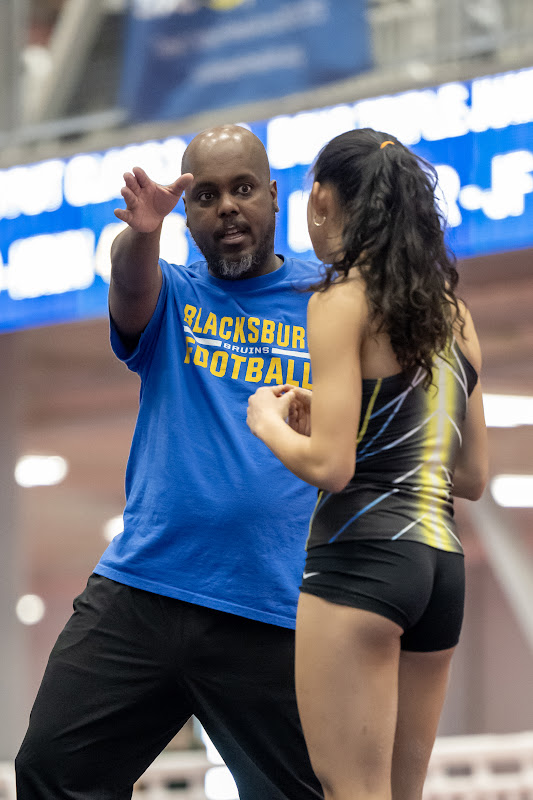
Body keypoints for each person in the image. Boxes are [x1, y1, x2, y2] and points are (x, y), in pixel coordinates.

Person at [15, 125, 324, 800]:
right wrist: (143, 232)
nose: (227, 208)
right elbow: (130, 284)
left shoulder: (327, 302)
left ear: (273, 196)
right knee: (50, 770)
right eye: (205, 196)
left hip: (271, 605)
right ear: (188, 216)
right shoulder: (173, 294)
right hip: (144, 589)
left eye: (243, 189)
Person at [247, 128, 488, 800]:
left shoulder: (339, 299)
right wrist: (337, 410)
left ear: (321, 199)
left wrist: (266, 423)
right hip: (439, 569)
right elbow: (469, 476)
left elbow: (331, 467)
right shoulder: (453, 315)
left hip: (361, 561)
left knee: (351, 789)